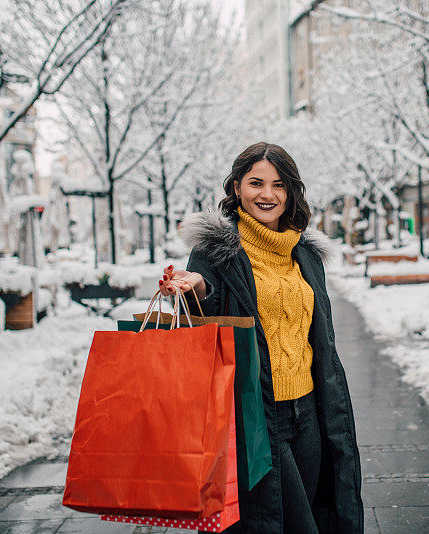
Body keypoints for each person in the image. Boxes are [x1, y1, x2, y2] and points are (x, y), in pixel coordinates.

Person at [158, 142, 363, 533]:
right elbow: (201, 323)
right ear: (236, 188)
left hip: (310, 412)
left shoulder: (305, 254)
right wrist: (199, 289)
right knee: (286, 523)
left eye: (279, 185)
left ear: (291, 192)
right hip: (254, 414)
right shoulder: (216, 251)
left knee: (316, 512)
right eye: (256, 183)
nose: (267, 195)